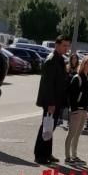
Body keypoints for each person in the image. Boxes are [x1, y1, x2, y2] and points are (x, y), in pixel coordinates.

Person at [33, 36, 69, 165]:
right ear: (57, 45)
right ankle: (40, 155)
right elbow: (47, 84)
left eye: (67, 45)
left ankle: (47, 153)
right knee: (46, 127)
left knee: (50, 128)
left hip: (57, 100)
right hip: (51, 101)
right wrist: (51, 103)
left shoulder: (60, 59)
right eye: (64, 45)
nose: (66, 48)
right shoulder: (51, 60)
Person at [64, 56, 88, 164]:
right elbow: (71, 96)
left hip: (83, 110)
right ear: (83, 64)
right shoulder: (78, 78)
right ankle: (67, 157)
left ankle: (74, 156)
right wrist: (75, 110)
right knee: (71, 133)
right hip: (76, 111)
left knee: (77, 134)